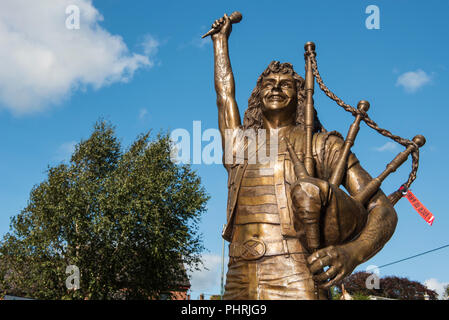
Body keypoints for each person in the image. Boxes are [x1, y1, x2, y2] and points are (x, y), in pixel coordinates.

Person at [210, 14, 397, 300]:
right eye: (268, 83)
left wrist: (353, 253)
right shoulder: (238, 145)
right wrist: (220, 42)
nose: (274, 87)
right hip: (238, 275)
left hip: (297, 273)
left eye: (285, 84)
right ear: (258, 95)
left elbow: (382, 208)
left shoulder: (323, 145)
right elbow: (224, 95)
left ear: (300, 97)